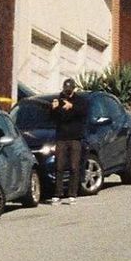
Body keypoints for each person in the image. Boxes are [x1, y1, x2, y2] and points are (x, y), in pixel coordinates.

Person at [50, 77, 87, 205]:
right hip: (61, 138)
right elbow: (54, 118)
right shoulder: (58, 100)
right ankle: (57, 194)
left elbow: (83, 113)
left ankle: (72, 194)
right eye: (66, 90)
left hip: (75, 138)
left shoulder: (80, 101)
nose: (67, 92)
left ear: (73, 89)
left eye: (69, 90)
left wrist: (72, 107)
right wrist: (55, 109)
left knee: (74, 166)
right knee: (59, 166)